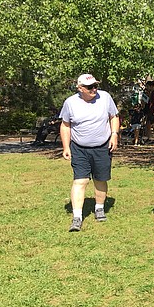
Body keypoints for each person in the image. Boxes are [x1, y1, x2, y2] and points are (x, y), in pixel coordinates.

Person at [59, 74, 120, 232]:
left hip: (102, 147)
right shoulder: (70, 103)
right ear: (80, 88)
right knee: (81, 181)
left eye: (95, 86)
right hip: (79, 148)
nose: (94, 89)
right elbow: (65, 125)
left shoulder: (105, 97)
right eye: (89, 87)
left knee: (100, 179)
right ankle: (77, 217)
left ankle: (99, 208)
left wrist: (114, 134)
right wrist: (66, 147)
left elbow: (114, 117)